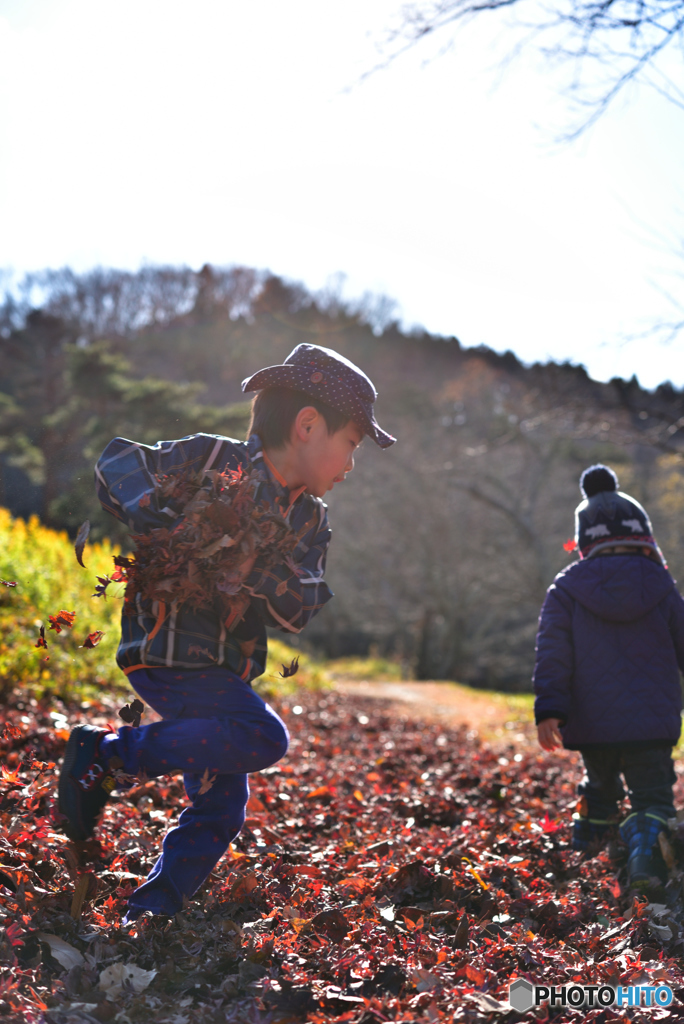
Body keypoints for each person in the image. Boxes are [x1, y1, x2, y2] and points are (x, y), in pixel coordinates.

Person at [57, 343, 395, 921]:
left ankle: (155, 907)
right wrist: (155, 513)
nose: (352, 463)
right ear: (309, 425)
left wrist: (253, 565)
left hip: (221, 670)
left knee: (222, 804)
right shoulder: (211, 461)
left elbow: (300, 606)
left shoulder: (310, 521)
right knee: (262, 737)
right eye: (351, 444)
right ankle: (109, 755)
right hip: (167, 648)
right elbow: (118, 463)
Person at [533, 464, 684, 887]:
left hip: (593, 720)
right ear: (644, 536)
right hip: (653, 722)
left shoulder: (566, 589)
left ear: (585, 541)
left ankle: (587, 857)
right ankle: (646, 863)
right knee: (652, 795)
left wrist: (550, 708)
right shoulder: (661, 585)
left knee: (599, 787)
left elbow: (553, 654)